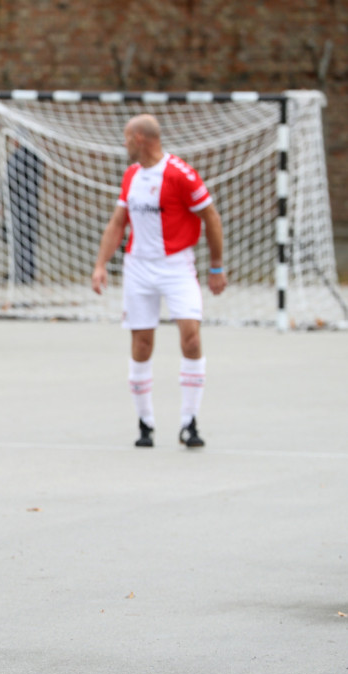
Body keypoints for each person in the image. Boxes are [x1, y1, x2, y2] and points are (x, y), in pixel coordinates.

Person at [91, 114, 226, 448]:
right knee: (141, 344)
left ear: (139, 138)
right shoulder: (131, 176)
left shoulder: (181, 174)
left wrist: (216, 265)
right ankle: (145, 423)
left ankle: (189, 422)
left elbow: (210, 216)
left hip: (177, 265)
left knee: (191, 338)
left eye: (126, 137)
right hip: (138, 267)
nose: (123, 144)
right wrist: (100, 264)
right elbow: (118, 222)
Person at [8, 141, 42, 284]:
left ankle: (25, 274)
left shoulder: (29, 156)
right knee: (19, 240)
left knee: (24, 240)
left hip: (24, 205)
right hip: (18, 205)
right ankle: (21, 272)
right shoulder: (24, 156)